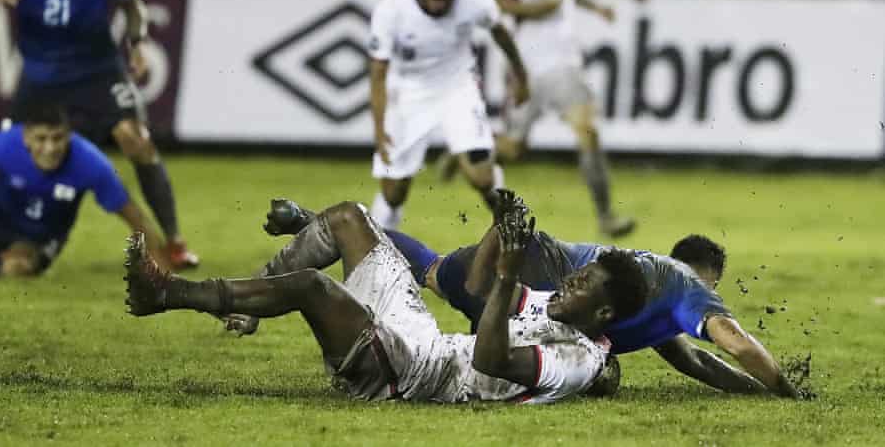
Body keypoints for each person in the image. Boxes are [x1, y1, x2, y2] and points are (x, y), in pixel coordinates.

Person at [123, 193, 648, 403]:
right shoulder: (554, 306)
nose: (569, 283)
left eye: (582, 284)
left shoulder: (579, 360)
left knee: (312, 287)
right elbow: (474, 291)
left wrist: (510, 275)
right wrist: (498, 231)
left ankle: (165, 293)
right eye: (578, 275)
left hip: (414, 376)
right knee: (349, 218)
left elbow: (491, 359)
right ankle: (247, 302)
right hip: (422, 340)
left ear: (603, 313)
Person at [253, 197, 801, 399]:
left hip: (531, 255)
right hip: (538, 271)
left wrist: (756, 393)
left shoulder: (653, 298)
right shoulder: (689, 287)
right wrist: (783, 387)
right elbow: (735, 344)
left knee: (432, 271)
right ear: (707, 279)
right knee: (488, 345)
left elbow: (694, 362)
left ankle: (324, 224)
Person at [0, 0, 198, 268]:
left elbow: (132, 7)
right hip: (40, 75)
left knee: (136, 139)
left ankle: (174, 241)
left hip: (97, 71)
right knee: (12, 152)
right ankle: (19, 238)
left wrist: (137, 44)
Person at [443, 0, 634, 237]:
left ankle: (606, 217)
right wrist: (536, 9)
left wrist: (595, 6)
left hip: (565, 59)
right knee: (514, 149)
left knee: (587, 130)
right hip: (526, 61)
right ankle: (467, 149)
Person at [368, 0, 529, 230]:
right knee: (393, 194)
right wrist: (380, 131)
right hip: (407, 94)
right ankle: (378, 241)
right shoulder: (391, 10)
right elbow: (379, 73)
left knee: (482, 178)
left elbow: (501, 34)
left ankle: (512, 230)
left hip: (458, 89)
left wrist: (521, 76)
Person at [0, 103, 168, 277]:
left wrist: (161, 270)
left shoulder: (90, 162)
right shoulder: (2, 147)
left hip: (40, 238)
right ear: (26, 138)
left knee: (15, 268)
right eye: (41, 139)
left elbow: (136, 218)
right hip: (1, 222)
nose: (50, 148)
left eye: (57, 138)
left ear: (69, 136)